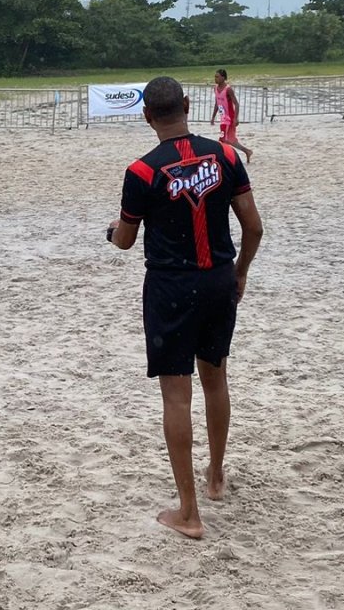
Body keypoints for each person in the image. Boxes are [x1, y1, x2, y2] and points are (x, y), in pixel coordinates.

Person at [109, 76, 264, 540]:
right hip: (218, 279)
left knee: (177, 395)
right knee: (215, 378)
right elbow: (254, 228)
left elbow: (125, 240)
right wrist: (239, 273)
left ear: (146, 115)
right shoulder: (227, 156)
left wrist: (111, 230)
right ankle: (216, 475)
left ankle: (189, 513)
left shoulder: (141, 172)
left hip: (171, 287)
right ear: (188, 105)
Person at [210, 69, 253, 163]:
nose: (215, 79)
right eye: (215, 77)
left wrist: (236, 118)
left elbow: (236, 104)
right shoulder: (215, 88)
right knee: (230, 140)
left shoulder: (228, 89)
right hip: (223, 118)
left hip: (229, 119)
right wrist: (213, 116)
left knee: (222, 140)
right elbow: (217, 103)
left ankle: (223, 160)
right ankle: (247, 151)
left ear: (223, 78)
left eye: (217, 77)